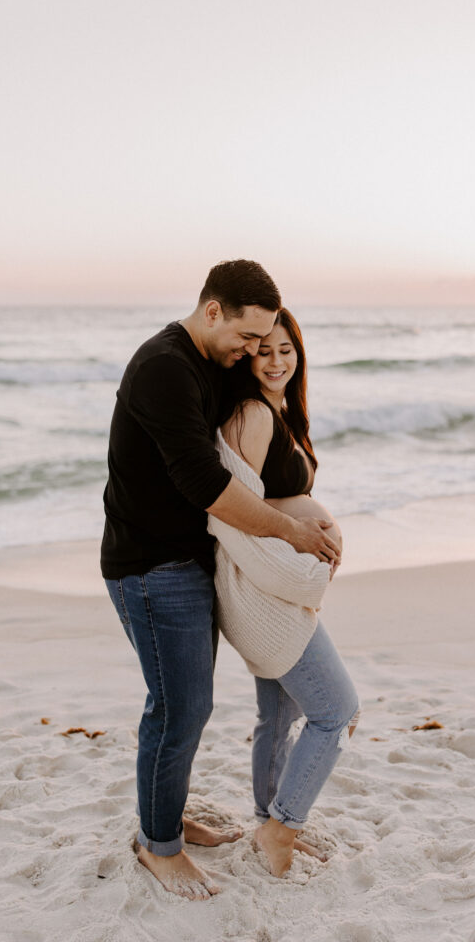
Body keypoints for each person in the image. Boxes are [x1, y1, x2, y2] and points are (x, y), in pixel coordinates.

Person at [101, 261, 341, 901]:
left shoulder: (212, 360)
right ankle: (159, 847)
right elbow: (209, 486)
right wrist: (293, 534)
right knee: (180, 707)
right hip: (151, 566)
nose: (250, 353)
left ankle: (166, 815)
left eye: (265, 342)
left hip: (190, 562)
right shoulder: (164, 368)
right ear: (213, 312)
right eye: (246, 339)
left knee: (187, 705)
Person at [209, 308, 359, 878]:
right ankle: (281, 829)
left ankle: (266, 818)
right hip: (266, 595)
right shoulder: (252, 416)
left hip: (276, 590)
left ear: (299, 352)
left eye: (285, 350)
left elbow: (261, 500)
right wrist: (304, 542)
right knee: (338, 711)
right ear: (248, 357)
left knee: (280, 711)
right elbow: (231, 511)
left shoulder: (277, 412)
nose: (275, 361)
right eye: (263, 350)